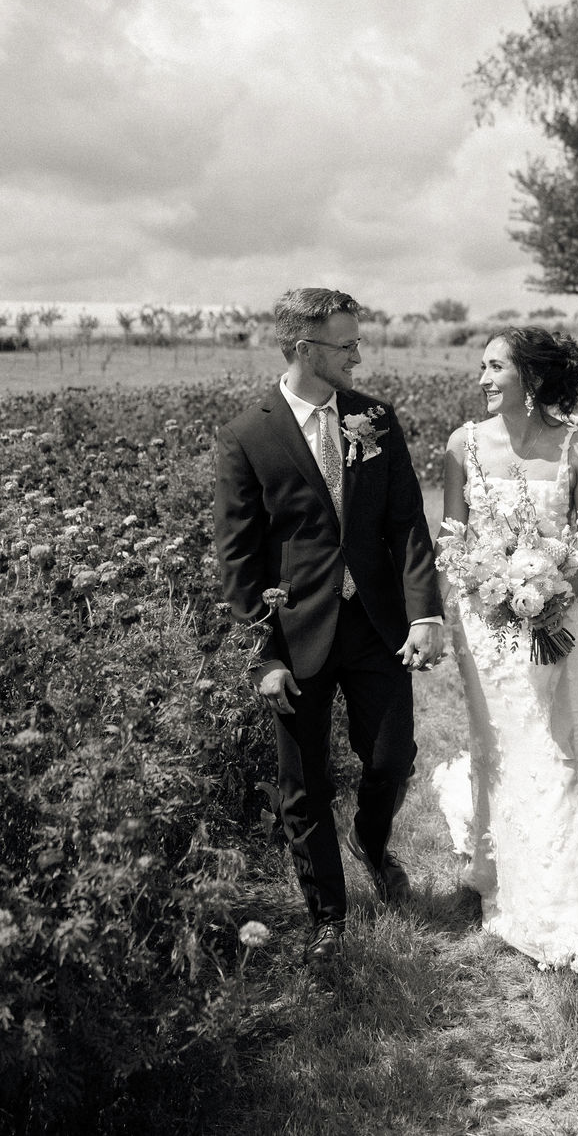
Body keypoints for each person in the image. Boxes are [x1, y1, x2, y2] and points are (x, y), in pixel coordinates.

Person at [214, 287, 444, 967]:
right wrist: (262, 656)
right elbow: (239, 555)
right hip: (295, 633)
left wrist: (425, 610)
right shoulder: (247, 434)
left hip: (375, 622)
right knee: (304, 784)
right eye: (347, 344)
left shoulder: (376, 417)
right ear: (305, 348)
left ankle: (371, 842)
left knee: (391, 757)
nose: (359, 354)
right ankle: (328, 918)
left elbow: (407, 520)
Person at [434, 326, 578, 978]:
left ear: (531, 379)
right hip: (489, 625)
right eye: (481, 367)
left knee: (561, 745)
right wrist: (493, 591)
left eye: (495, 367)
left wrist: (557, 594)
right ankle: (502, 879)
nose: (482, 378)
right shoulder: (463, 446)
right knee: (507, 747)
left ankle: (570, 913)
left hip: (569, 616)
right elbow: (453, 540)